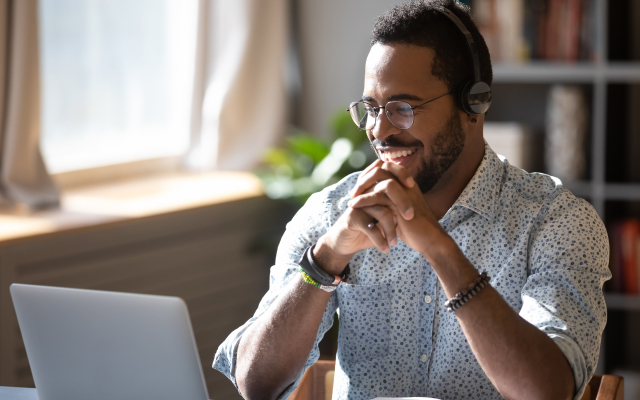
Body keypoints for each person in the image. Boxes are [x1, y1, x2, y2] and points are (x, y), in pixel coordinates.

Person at [213, 1, 610, 399]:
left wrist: (440, 249)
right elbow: (256, 385)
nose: (379, 131)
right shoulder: (333, 212)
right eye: (371, 108)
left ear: (474, 103)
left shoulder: (556, 222)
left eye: (403, 108)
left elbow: (548, 391)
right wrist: (326, 259)